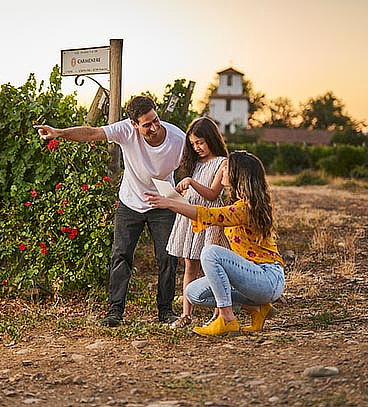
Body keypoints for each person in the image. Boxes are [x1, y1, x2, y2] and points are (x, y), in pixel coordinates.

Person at [34, 96, 185, 327]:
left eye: (155, 120)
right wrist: (59, 133)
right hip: (130, 202)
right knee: (121, 255)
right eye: (146, 124)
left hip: (162, 204)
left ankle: (165, 311)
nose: (154, 127)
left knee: (167, 257)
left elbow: (193, 165)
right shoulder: (125, 131)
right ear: (134, 124)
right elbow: (92, 133)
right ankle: (115, 310)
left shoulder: (177, 138)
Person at [145, 151, 284, 337]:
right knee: (193, 292)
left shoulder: (245, 208)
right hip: (251, 278)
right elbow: (208, 213)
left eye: (226, 168)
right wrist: (181, 200)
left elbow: (209, 215)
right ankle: (257, 309)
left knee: (210, 252)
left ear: (238, 174)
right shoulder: (238, 203)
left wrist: (170, 204)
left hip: (267, 278)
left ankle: (227, 319)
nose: (222, 171)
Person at [166, 117, 230, 329]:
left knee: (210, 265)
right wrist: (180, 193)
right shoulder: (194, 163)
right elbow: (194, 191)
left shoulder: (222, 162)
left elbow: (212, 194)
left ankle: (218, 313)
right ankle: (186, 314)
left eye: (200, 142)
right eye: (193, 144)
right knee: (189, 265)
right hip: (190, 215)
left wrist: (192, 183)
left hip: (209, 218)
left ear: (211, 138)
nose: (197, 148)